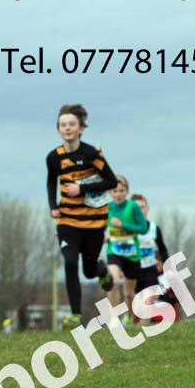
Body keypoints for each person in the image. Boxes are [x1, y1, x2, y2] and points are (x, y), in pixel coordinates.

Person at [47, 104, 118, 330]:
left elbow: (111, 181)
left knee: (88, 270)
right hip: (67, 220)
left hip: (94, 220)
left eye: (71, 124)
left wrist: (81, 188)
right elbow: (51, 181)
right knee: (69, 262)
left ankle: (101, 270)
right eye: (63, 125)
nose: (67, 128)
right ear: (58, 130)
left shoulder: (91, 154)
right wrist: (53, 206)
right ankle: (75, 315)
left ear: (81, 129)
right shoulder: (54, 157)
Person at [105, 175, 149, 325]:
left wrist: (123, 224)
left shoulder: (133, 207)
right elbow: (99, 226)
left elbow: (143, 228)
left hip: (132, 254)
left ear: (127, 191)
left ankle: (129, 316)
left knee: (129, 294)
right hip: (114, 251)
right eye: (115, 191)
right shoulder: (107, 207)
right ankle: (114, 318)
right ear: (110, 192)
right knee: (113, 281)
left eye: (121, 190)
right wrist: (103, 237)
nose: (118, 194)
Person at [131, 194, 170, 320]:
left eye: (142, 207)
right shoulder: (126, 229)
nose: (140, 210)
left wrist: (163, 263)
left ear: (147, 209)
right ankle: (131, 323)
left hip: (149, 270)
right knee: (131, 299)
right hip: (132, 270)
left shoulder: (154, 228)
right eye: (136, 207)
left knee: (147, 299)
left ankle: (144, 327)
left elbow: (163, 249)